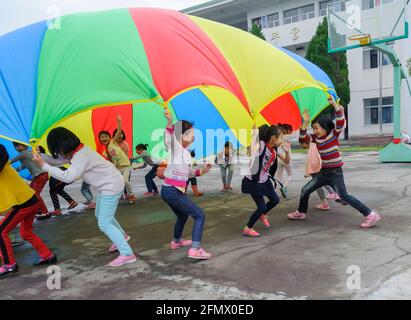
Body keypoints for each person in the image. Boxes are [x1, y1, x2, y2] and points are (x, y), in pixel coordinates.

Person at [33, 127, 137, 267]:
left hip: (111, 187)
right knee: (101, 215)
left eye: (57, 150)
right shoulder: (78, 152)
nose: (58, 154)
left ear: (62, 146)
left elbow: (69, 176)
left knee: (104, 222)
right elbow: (59, 161)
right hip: (110, 184)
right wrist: (43, 158)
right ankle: (122, 237)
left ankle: (127, 254)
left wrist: (44, 165)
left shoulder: (81, 155)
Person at [288, 96, 381, 228]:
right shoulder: (315, 138)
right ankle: (301, 212)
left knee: (345, 196)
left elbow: (341, 122)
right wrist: (305, 122)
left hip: (335, 173)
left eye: (317, 128)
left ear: (325, 127)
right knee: (305, 190)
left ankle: (371, 215)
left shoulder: (333, 135)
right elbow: (303, 139)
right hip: (323, 173)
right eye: (313, 128)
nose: (314, 131)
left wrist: (335, 106)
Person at [161, 110, 212, 260]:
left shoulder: (185, 153)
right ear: (181, 135)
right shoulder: (175, 147)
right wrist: (169, 121)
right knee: (199, 215)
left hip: (169, 191)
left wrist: (203, 170)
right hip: (172, 191)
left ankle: (176, 241)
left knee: (183, 215)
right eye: (191, 133)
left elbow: (189, 173)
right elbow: (168, 139)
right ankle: (195, 249)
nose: (194, 136)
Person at [0, 144, 57, 277]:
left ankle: (9, 264)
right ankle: (48, 256)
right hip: (30, 201)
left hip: (24, 204)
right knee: (26, 233)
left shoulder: (3, 170)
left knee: (2, 231)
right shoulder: (6, 167)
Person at [241, 124, 290, 237]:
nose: (282, 140)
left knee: (275, 200)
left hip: (264, 180)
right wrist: (254, 135)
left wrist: (287, 152)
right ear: (273, 138)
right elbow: (251, 150)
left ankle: (262, 214)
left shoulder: (274, 150)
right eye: (281, 137)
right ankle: (248, 228)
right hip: (253, 181)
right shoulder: (262, 145)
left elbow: (287, 161)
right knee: (261, 207)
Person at [98, 115, 136, 204]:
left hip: (126, 166)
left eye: (105, 136)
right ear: (100, 140)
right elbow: (108, 161)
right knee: (117, 183)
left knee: (126, 181)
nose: (104, 138)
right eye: (102, 137)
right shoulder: (106, 151)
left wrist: (119, 122)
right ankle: (118, 196)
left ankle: (131, 195)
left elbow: (118, 132)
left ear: (109, 137)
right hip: (117, 168)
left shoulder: (113, 142)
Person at [10, 142, 50, 219]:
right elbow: (23, 166)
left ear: (25, 146)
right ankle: (38, 210)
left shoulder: (23, 154)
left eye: (18, 146)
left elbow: (12, 161)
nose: (17, 148)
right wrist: (14, 171)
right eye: (15, 146)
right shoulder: (27, 154)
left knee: (35, 195)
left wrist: (4, 162)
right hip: (39, 176)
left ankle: (45, 212)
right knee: (31, 193)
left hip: (40, 175)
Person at [275, 124, 293, 198]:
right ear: (287, 130)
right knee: (290, 175)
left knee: (278, 176)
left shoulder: (279, 136)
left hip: (279, 158)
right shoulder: (289, 136)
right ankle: (284, 187)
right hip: (287, 158)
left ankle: (274, 191)